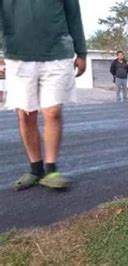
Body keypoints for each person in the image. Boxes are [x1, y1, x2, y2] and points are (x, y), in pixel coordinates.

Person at [0, 0, 87, 190]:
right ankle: (35, 169)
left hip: (57, 54)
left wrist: (81, 52)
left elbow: (74, 15)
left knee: (53, 111)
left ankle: (51, 169)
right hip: (17, 56)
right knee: (25, 114)